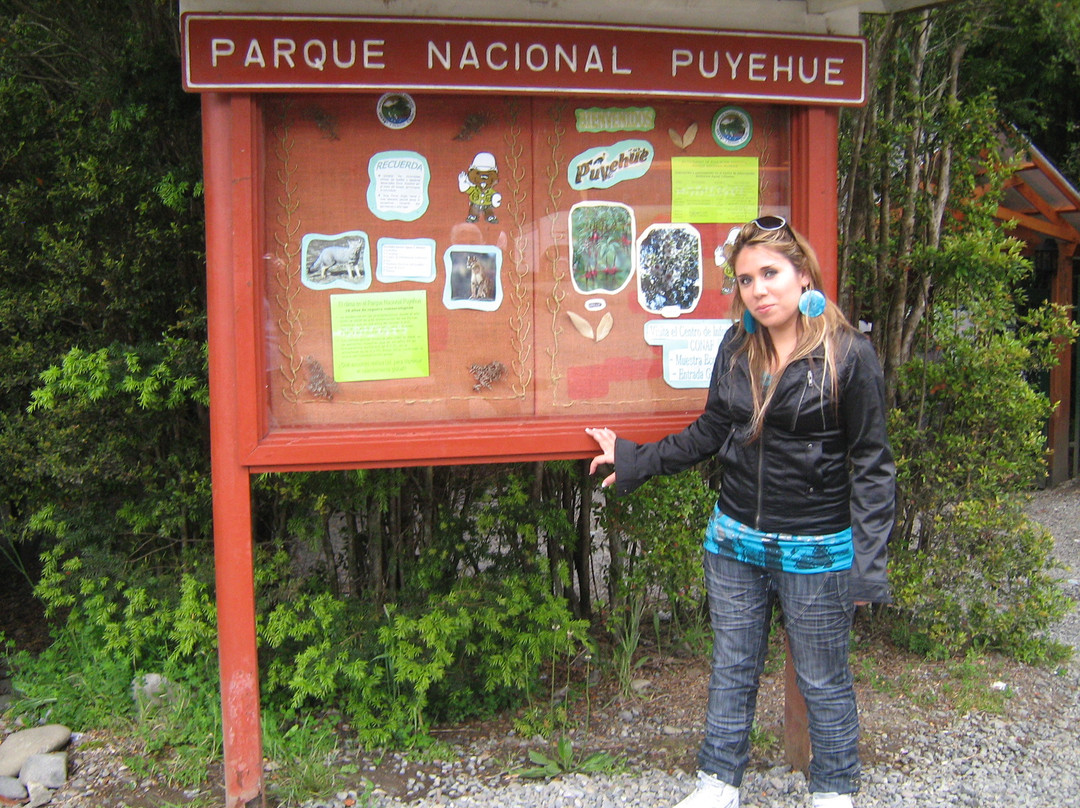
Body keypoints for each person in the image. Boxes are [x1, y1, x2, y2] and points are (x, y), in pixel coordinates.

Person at [586, 216, 895, 808]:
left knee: (823, 680)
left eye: (771, 273)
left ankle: (834, 790)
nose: (759, 289)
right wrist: (632, 461)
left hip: (815, 550)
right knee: (731, 668)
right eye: (747, 278)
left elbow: (874, 466)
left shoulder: (849, 355)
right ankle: (718, 782)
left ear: (803, 274)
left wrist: (868, 565)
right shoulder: (737, 346)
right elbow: (710, 431)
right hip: (734, 543)